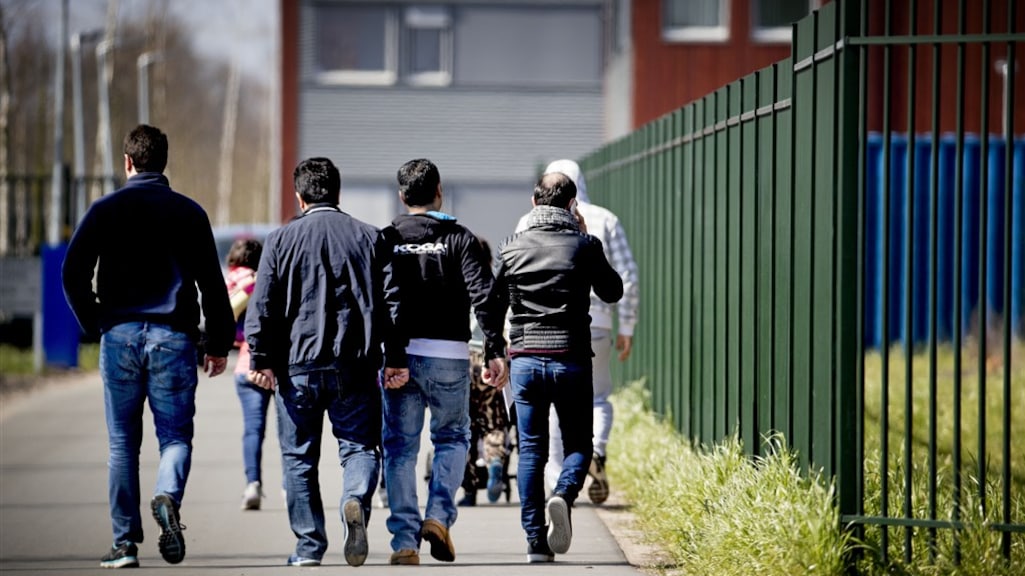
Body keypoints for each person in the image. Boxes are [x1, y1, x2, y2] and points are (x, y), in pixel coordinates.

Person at [61, 124, 236, 569]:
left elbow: (72, 272)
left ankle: (124, 545)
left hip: (118, 334)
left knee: (122, 444)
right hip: (173, 339)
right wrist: (218, 342)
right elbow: (213, 286)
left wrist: (95, 321)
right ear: (164, 161)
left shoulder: (105, 209)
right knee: (175, 436)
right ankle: (167, 495)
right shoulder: (189, 213)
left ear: (127, 162)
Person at [244, 157, 409, 568]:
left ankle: (308, 547)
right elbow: (393, 303)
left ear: (300, 198)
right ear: (338, 194)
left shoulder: (280, 241)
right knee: (359, 448)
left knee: (299, 458)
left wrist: (260, 357)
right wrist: (395, 357)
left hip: (295, 367)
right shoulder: (370, 237)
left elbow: (261, 304)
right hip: (355, 363)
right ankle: (353, 498)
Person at [380, 159, 508, 565]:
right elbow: (485, 295)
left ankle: (404, 541)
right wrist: (494, 348)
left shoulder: (386, 238)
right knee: (452, 438)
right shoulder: (460, 238)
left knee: (400, 448)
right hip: (450, 357)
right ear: (440, 190)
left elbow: (377, 298)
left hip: (399, 357)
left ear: (402, 196)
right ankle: (438, 516)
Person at [491, 171, 623, 563]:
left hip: (525, 362)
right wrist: (587, 238)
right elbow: (612, 291)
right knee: (579, 445)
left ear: (533, 204)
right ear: (572, 206)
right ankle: (563, 495)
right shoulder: (583, 245)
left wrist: (494, 350)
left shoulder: (512, 248)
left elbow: (492, 304)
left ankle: (535, 543)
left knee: (530, 451)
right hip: (572, 359)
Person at [515, 159, 639, 505]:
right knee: (597, 399)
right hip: (591, 327)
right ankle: (595, 453)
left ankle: (558, 483)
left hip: (532, 334)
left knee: (543, 425)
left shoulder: (528, 221)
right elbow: (625, 277)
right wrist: (626, 325)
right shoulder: (605, 219)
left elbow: (514, 276)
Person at [458, 236, 513, 507]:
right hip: (490, 357)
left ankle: (468, 490)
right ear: (491, 259)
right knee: (494, 422)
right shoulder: (496, 285)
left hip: (462, 359)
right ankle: (494, 463)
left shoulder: (459, 283)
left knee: (464, 426)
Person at [224, 237, 272, 510]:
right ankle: (291, 486)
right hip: (278, 365)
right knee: (292, 432)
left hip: (245, 364)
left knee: (253, 429)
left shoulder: (229, 280)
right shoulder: (260, 279)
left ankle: (252, 483)